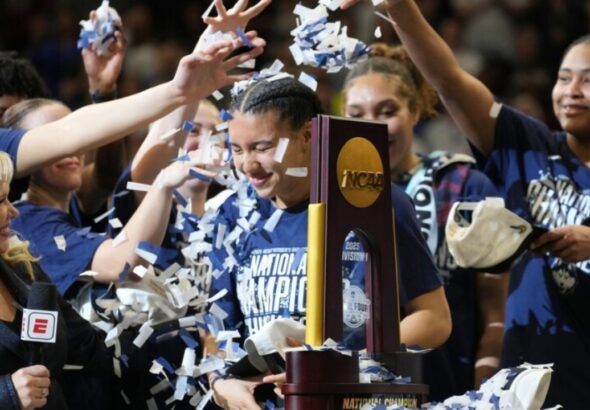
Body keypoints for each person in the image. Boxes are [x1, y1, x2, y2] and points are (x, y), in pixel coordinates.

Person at [341, 0, 590, 406]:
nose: (571, 92)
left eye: (586, 80)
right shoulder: (527, 147)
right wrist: (402, 9)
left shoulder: (459, 181)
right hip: (526, 386)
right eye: (564, 78)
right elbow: (449, 80)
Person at [205, 77, 451, 409]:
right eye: (237, 149)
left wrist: (343, 365)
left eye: (262, 147)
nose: (247, 165)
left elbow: (434, 319)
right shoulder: (231, 214)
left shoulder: (376, 201)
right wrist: (223, 385)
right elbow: (216, 331)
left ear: (308, 135)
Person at [342, 43, 508, 398]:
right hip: (354, 390)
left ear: (415, 110)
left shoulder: (463, 184)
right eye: (357, 114)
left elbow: (496, 308)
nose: (371, 127)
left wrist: (485, 386)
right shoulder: (335, 197)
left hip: (447, 387)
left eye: (386, 111)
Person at [0, 151, 120, 410]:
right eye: (0, 200)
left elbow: (89, 345)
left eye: (9, 197)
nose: (13, 211)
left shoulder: (21, 264)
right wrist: (7, 393)